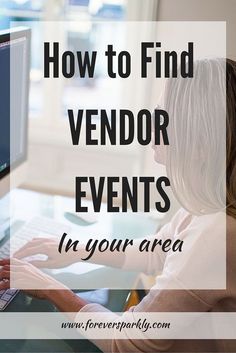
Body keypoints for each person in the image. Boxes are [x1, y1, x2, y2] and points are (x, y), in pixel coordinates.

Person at [1, 58, 236, 352]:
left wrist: (52, 289)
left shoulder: (217, 235)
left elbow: (128, 342)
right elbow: (158, 252)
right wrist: (78, 249)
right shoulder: (215, 199)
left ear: (201, 146)